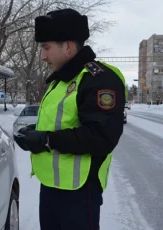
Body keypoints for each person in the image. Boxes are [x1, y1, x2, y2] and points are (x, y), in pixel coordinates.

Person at [13, 8, 127, 230]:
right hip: (52, 187)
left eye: (46, 48)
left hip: (79, 193)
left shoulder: (99, 79)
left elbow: (101, 136)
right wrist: (35, 132)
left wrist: (46, 140)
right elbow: (62, 122)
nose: (42, 56)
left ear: (68, 46)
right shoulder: (61, 80)